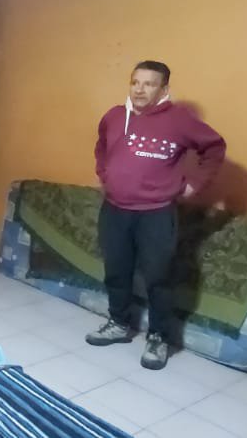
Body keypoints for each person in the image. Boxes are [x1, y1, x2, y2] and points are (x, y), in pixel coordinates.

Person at [85, 60, 226, 370]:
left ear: (163, 90)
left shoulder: (180, 121)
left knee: (159, 277)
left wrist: (195, 184)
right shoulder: (114, 116)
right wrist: (105, 173)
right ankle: (119, 323)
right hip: (115, 209)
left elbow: (215, 148)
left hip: (156, 213)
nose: (139, 89)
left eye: (149, 84)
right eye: (135, 82)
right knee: (116, 270)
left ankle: (159, 337)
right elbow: (101, 147)